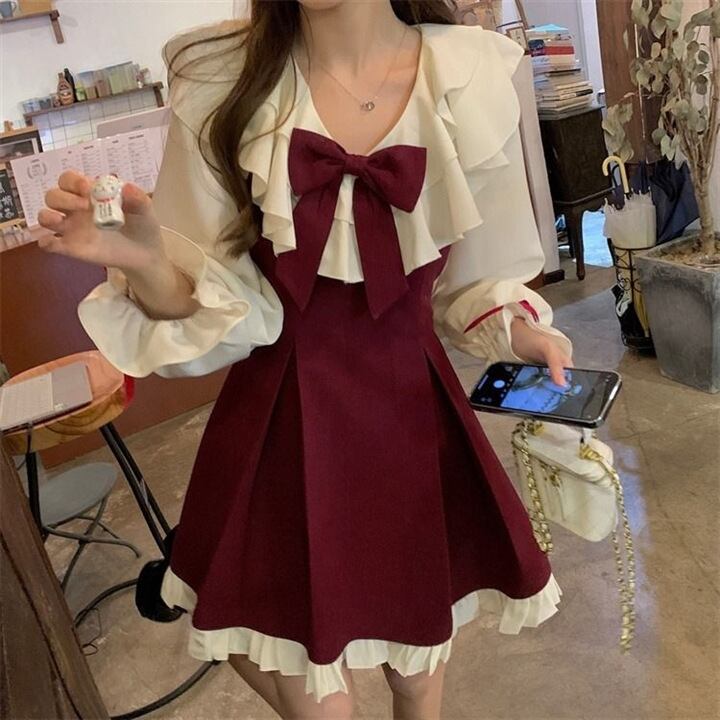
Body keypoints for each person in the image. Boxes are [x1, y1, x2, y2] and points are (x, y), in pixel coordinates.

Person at [38, 2, 574, 718]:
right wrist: (145, 263)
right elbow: (213, 295)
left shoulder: (468, 74)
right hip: (279, 421)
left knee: (417, 673)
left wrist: (521, 328)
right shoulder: (223, 80)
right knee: (320, 701)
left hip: (410, 418)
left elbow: (475, 277)